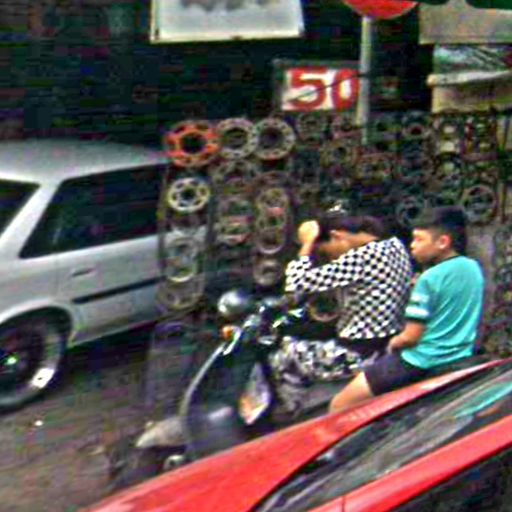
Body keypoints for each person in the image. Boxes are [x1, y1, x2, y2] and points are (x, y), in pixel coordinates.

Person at [329, 206, 485, 413]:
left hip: (420, 360)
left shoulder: (429, 279)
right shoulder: (473, 268)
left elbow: (411, 337)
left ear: (442, 242)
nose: (412, 246)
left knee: (340, 404)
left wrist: (394, 343)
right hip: (459, 355)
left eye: (419, 239)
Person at [269, 210, 413, 413]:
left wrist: (307, 243)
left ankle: (292, 414)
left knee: (284, 356)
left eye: (326, 252)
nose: (331, 259)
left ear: (337, 236)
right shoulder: (393, 246)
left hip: (360, 352)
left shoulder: (363, 257)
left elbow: (297, 283)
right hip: (385, 340)